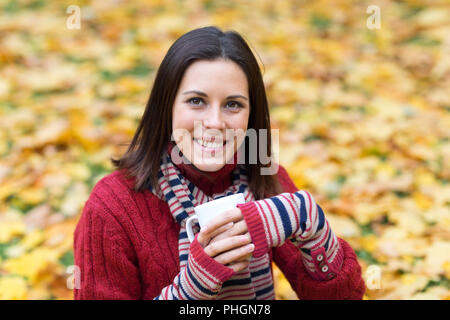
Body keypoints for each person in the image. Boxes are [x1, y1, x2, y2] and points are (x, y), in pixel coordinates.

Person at [73, 26, 366, 300]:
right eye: (197, 101)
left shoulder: (263, 178)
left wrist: (313, 226)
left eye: (232, 104)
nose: (214, 123)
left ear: (251, 115)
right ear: (167, 106)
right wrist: (192, 287)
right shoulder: (111, 206)